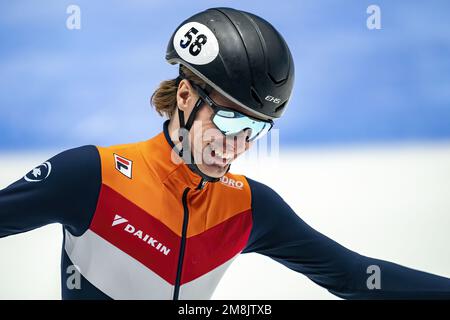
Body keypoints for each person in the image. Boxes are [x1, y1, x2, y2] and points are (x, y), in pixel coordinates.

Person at [1, 7, 449, 300]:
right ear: (184, 97)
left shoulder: (248, 208)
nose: (239, 144)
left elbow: (354, 277)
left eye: (256, 127)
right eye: (230, 120)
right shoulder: (92, 176)